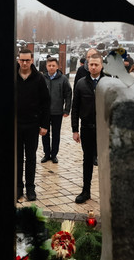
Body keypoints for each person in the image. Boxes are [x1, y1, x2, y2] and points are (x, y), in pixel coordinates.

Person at [16, 48, 50, 201]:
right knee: (16, 158)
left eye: (27, 60)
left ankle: (30, 188)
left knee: (30, 157)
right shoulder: (12, 76)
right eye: (22, 60)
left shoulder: (39, 78)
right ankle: (17, 187)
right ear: (18, 60)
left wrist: (44, 125)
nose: (24, 63)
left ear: (32, 60)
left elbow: (45, 102)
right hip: (15, 125)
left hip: (32, 124)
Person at [71, 52, 105, 203]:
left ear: (101, 65)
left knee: (105, 161)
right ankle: (86, 191)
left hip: (104, 130)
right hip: (87, 128)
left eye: (96, 64)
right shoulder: (81, 83)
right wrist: (74, 129)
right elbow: (75, 107)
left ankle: (107, 194)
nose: (93, 67)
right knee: (87, 160)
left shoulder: (108, 83)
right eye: (91, 64)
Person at [41, 57, 72, 164]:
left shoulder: (63, 79)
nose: (51, 67)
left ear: (57, 66)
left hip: (57, 112)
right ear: (46, 66)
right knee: (45, 133)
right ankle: (46, 154)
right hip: (44, 112)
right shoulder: (42, 78)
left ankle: (54, 155)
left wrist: (67, 109)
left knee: (56, 134)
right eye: (49, 65)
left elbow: (68, 94)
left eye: (53, 65)